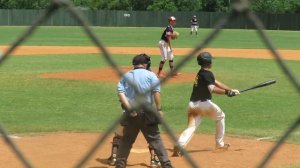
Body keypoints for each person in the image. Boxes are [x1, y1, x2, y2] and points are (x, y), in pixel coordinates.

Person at [172, 52, 240, 157]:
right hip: (204, 104)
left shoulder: (201, 73)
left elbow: (217, 83)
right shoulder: (208, 74)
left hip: (193, 105)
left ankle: (179, 145)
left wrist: (231, 90)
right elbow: (212, 89)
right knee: (221, 116)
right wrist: (227, 93)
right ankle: (219, 144)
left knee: (191, 127)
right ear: (209, 62)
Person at [115, 53, 173, 168]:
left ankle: (120, 164)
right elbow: (156, 92)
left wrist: (129, 107)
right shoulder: (151, 75)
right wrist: (159, 109)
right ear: (145, 64)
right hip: (147, 112)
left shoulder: (126, 75)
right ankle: (166, 165)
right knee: (155, 140)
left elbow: (120, 93)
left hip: (131, 113)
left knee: (126, 140)